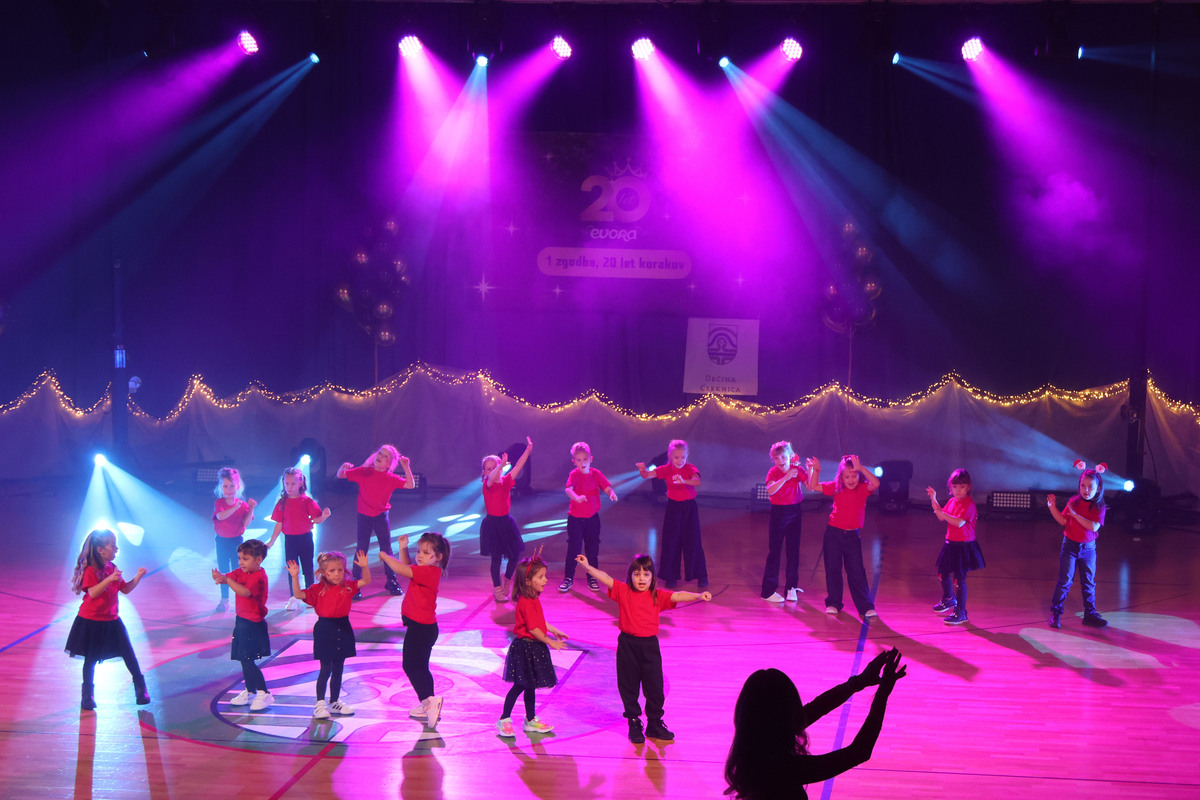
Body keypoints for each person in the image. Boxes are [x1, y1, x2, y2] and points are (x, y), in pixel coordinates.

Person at [723, 648, 908, 800]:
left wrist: (858, 682)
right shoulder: (783, 768)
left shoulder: (755, 748)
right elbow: (859, 752)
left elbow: (815, 708)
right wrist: (882, 693)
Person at [574, 553, 712, 743]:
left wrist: (698, 595)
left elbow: (678, 595)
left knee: (655, 686)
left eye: (646, 574)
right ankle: (633, 722)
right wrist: (588, 567)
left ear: (652, 577)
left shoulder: (657, 595)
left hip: (649, 647)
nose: (641, 578)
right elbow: (605, 577)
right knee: (628, 685)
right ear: (630, 576)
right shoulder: (624, 591)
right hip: (627, 645)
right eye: (637, 574)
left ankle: (654, 723)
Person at [65, 528, 150, 710]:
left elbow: (125, 589)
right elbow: (93, 592)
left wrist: (138, 577)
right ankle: (87, 696)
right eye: (112, 546)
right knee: (91, 659)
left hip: (112, 620)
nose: (116, 549)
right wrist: (109, 579)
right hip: (91, 621)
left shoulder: (112, 568)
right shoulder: (91, 570)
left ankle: (140, 689)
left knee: (128, 653)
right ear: (100, 550)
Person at [286, 550, 370, 718]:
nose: (337, 574)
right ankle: (319, 704)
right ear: (324, 572)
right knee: (325, 669)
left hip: (343, 627)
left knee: (338, 668)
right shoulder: (317, 589)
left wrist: (365, 567)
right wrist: (295, 576)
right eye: (332, 571)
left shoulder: (347, 586)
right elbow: (298, 594)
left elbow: (365, 581)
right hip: (325, 629)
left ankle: (334, 701)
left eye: (340, 570)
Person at [380, 532, 450, 728]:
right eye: (419, 551)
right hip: (424, 628)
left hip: (420, 628)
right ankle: (427, 703)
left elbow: (402, 569)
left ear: (438, 557)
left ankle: (429, 700)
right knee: (420, 667)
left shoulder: (430, 572)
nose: (420, 555)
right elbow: (408, 568)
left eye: (426, 553)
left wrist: (386, 556)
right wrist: (403, 548)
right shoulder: (424, 571)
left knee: (410, 666)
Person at [496, 553, 567, 737]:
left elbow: (540, 622)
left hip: (534, 648)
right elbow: (534, 629)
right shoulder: (526, 602)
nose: (545, 580)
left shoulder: (533, 598)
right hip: (525, 649)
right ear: (527, 581)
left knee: (530, 685)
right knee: (519, 686)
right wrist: (551, 642)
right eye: (541, 577)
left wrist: (553, 630)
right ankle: (504, 719)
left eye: (545, 576)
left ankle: (530, 719)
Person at [336, 445, 415, 599]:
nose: (381, 456)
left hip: (381, 516)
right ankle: (356, 582)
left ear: (389, 464)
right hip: (364, 516)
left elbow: (410, 485)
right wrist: (343, 467)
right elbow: (341, 475)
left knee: (386, 549)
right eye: (380, 453)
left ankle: (391, 580)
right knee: (361, 548)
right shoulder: (364, 472)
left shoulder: (390, 478)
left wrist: (406, 467)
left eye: (386, 456)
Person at [807, 455, 880, 620]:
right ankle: (834, 602)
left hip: (852, 536)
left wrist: (861, 468)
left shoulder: (863, 488)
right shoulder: (836, 487)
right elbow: (813, 486)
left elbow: (876, 483)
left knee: (856, 572)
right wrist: (816, 470)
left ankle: (865, 606)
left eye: (854, 476)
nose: (851, 480)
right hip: (833, 534)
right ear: (841, 477)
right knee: (833, 569)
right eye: (847, 477)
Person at [635, 439, 708, 590]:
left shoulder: (690, 468)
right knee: (671, 541)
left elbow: (697, 481)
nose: (680, 460)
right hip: (673, 508)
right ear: (670, 456)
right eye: (676, 457)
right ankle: (671, 576)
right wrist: (642, 470)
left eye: (683, 457)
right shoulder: (666, 469)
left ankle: (701, 575)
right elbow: (647, 475)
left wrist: (684, 481)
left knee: (693, 541)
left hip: (689, 508)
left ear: (687, 456)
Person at [212, 539, 273, 711]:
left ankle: (264, 692)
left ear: (258, 559)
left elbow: (245, 592)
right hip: (241, 621)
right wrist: (220, 578)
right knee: (243, 658)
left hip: (253, 624)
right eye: (239, 558)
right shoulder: (241, 572)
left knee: (247, 659)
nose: (240, 562)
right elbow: (229, 578)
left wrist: (227, 580)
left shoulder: (259, 577)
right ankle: (250, 691)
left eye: (245, 559)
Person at [1047, 466, 1109, 629]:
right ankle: (1055, 612)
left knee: (1088, 583)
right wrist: (1052, 507)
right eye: (1083, 486)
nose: (1086, 490)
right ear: (1079, 485)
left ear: (1098, 488)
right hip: (1069, 546)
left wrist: (1075, 515)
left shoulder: (1099, 506)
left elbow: (1093, 526)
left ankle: (1090, 615)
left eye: (1090, 487)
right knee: (1065, 580)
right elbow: (1063, 521)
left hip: (1088, 549)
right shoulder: (1073, 501)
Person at [265, 467, 331, 611]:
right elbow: (279, 524)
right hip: (290, 540)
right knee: (292, 569)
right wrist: (271, 541)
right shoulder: (282, 502)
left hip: (305, 539)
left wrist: (324, 516)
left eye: (293, 484)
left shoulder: (307, 501)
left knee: (307, 568)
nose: (289, 487)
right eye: (287, 483)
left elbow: (316, 519)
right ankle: (294, 597)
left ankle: (310, 596)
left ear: (300, 483)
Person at [926, 469, 984, 626]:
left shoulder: (969, 505)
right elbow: (941, 516)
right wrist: (933, 498)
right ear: (950, 487)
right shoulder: (952, 502)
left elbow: (958, 522)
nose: (958, 490)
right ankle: (949, 599)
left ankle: (961, 612)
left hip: (963, 546)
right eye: (955, 487)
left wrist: (942, 514)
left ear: (968, 487)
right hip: (950, 543)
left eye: (962, 487)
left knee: (959, 579)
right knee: (942, 572)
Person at [560, 442, 618, 593]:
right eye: (579, 460)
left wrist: (611, 493)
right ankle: (568, 578)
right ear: (574, 461)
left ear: (591, 459)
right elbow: (568, 489)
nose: (582, 463)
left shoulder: (596, 474)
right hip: (575, 519)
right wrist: (576, 497)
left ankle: (592, 577)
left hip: (592, 519)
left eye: (585, 459)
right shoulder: (574, 474)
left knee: (592, 549)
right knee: (574, 549)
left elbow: (606, 487)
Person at [480, 437, 533, 602]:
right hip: (492, 525)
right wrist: (500, 466)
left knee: (514, 555)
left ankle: (507, 580)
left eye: (494, 467)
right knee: (496, 558)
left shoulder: (506, 481)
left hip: (506, 523)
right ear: (484, 472)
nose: (492, 471)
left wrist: (528, 450)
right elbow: (491, 479)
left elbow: (518, 466)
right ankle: (497, 588)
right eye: (488, 469)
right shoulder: (487, 484)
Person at [761, 441, 809, 603]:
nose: (780, 461)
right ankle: (768, 591)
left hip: (795, 511)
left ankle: (791, 588)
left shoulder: (797, 470)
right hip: (778, 513)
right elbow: (770, 490)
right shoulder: (773, 472)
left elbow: (810, 486)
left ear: (790, 456)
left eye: (783, 457)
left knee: (793, 551)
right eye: (776, 458)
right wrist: (786, 477)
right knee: (774, 551)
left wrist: (812, 470)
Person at [212, 467, 256, 611]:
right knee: (224, 570)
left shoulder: (242, 505)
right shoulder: (220, 503)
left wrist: (251, 508)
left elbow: (245, 523)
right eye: (225, 486)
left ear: (238, 486)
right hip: (221, 542)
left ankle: (241, 599)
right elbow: (220, 516)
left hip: (236, 542)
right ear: (221, 487)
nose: (229, 489)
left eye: (232, 486)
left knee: (238, 570)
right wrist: (235, 508)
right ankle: (224, 599)